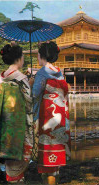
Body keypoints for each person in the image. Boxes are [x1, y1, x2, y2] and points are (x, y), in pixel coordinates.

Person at [0, 43, 35, 183]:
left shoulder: (0, 80)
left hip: (5, 128)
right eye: (22, 56)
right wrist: (31, 85)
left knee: (10, 162)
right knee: (19, 162)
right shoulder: (21, 79)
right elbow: (29, 105)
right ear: (19, 58)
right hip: (19, 127)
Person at [32, 41, 71, 185]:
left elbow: (35, 94)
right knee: (55, 161)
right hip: (60, 118)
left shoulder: (42, 73)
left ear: (41, 56)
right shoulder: (59, 73)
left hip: (45, 118)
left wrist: (30, 83)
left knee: (46, 159)